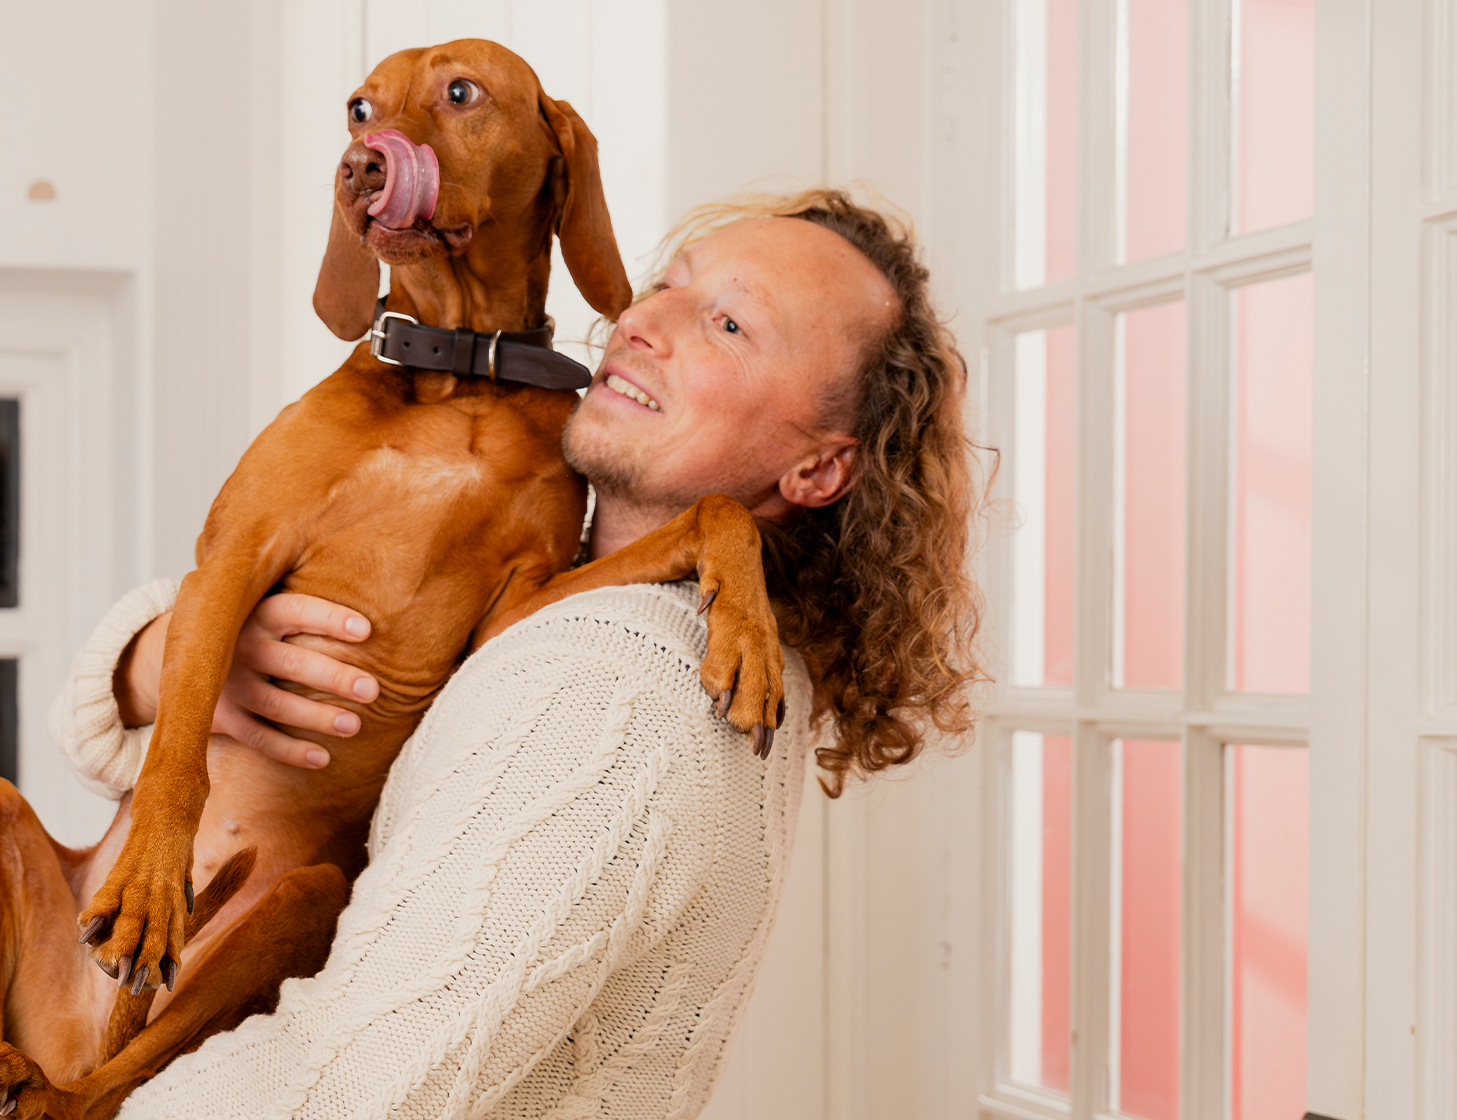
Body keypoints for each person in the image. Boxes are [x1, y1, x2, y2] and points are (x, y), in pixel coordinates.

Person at [48, 188, 984, 1118]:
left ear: (818, 468)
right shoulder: (633, 623)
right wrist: (150, 668)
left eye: (731, 325)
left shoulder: (605, 689)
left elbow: (350, 1095)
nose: (642, 322)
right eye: (668, 284)